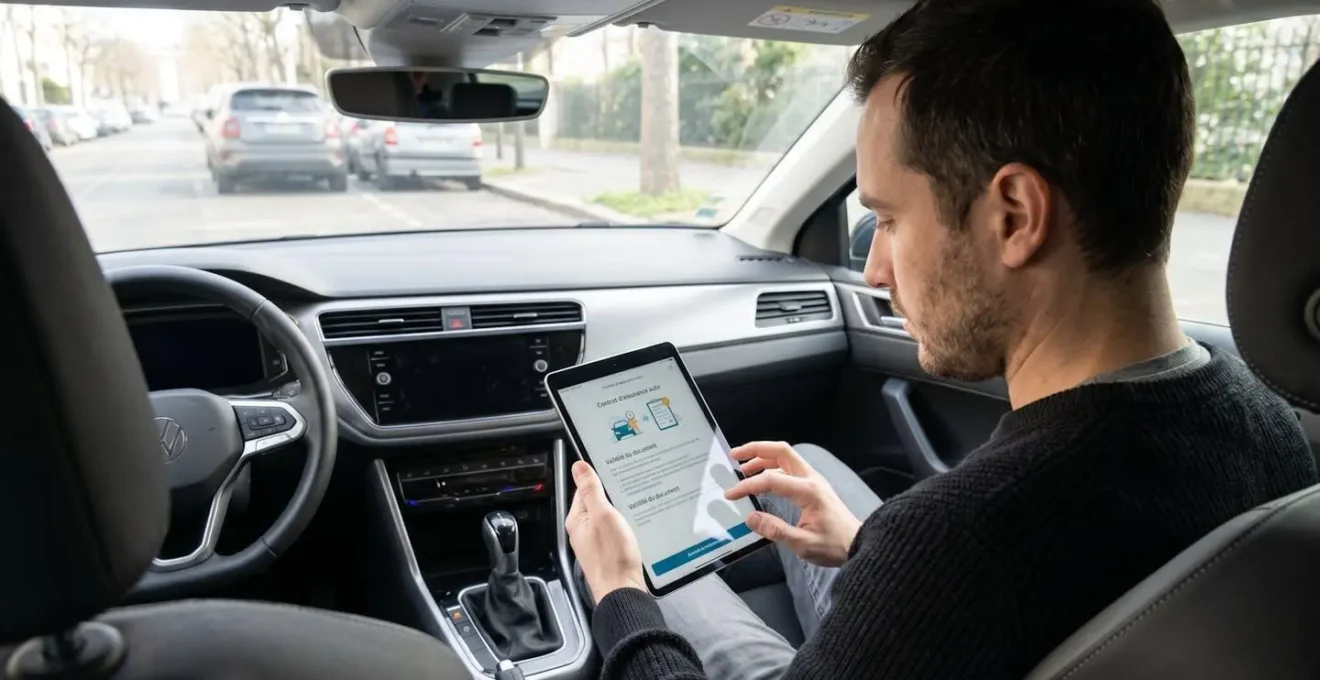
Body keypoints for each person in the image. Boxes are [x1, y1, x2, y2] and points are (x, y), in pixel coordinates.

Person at [565, 0, 1320, 678]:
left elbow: (965, 573)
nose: (872, 269)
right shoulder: (1271, 430)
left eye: (888, 220)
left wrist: (622, 599)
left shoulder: (965, 545)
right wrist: (868, 547)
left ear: (1015, 216)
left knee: (667, 570)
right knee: (814, 470)